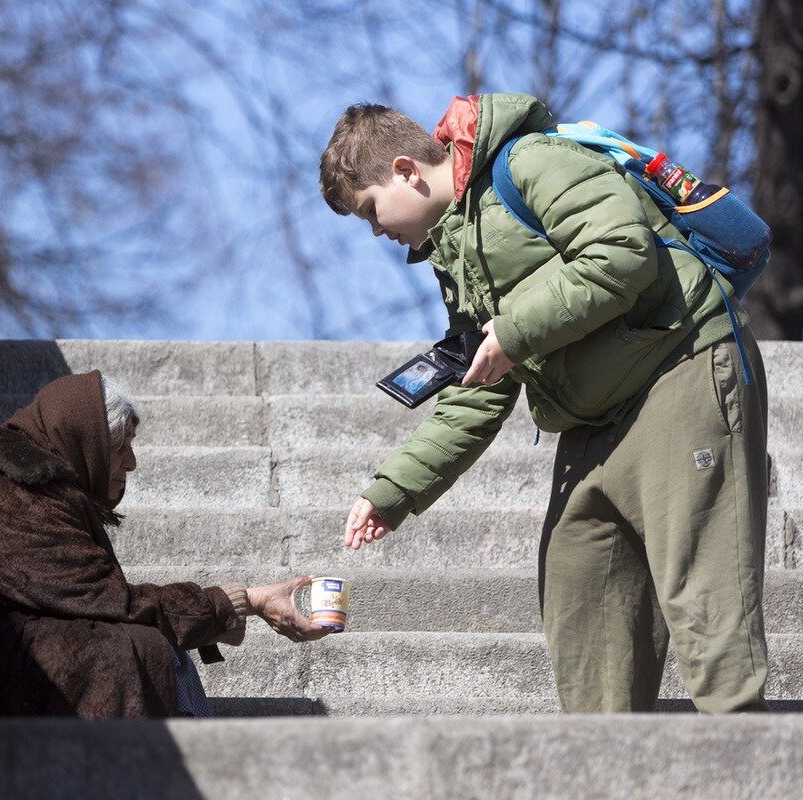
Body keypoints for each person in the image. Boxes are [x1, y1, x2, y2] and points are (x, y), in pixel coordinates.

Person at [319, 92, 769, 713]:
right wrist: (390, 492)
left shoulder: (530, 160)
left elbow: (621, 251)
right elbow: (480, 390)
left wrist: (512, 330)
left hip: (681, 369)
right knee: (582, 605)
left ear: (403, 171)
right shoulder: (455, 250)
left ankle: (751, 762)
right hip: (592, 422)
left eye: (370, 212)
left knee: (708, 607)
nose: (377, 232)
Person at [0, 370, 329, 721]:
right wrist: (245, 600)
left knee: (149, 648)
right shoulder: (6, 497)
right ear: (87, 442)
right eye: (122, 447)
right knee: (132, 652)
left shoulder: (34, 490)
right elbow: (114, 603)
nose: (132, 463)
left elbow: (102, 601)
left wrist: (236, 604)